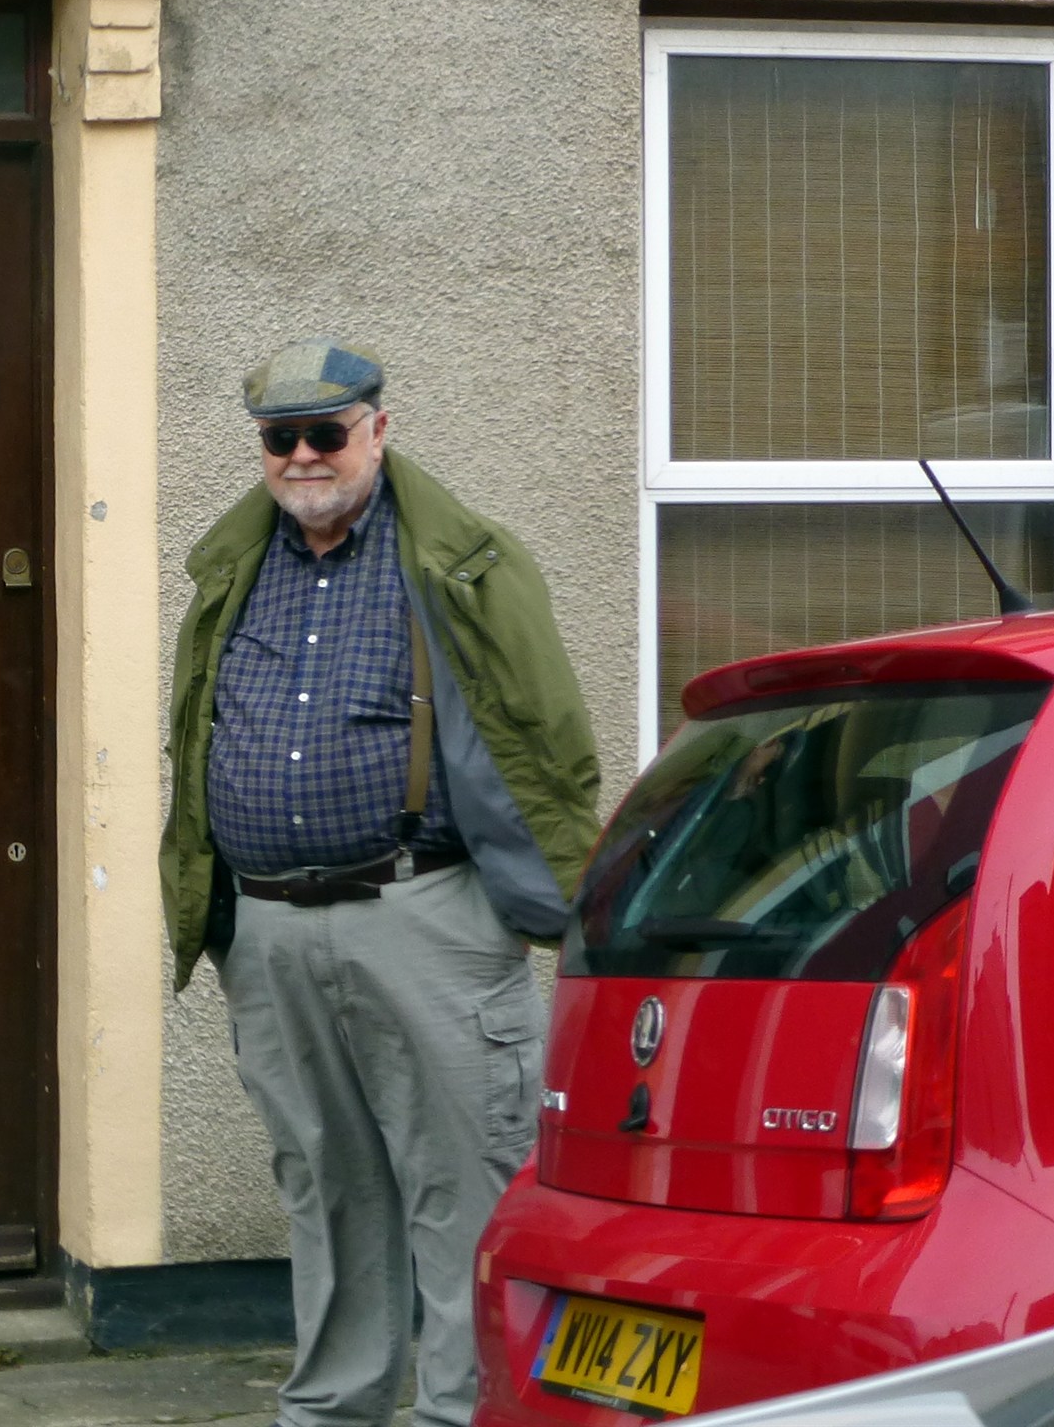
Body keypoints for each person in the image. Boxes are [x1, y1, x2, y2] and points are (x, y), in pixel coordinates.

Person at [159, 338, 601, 1427]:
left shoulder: (462, 563)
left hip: (425, 913)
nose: (304, 456)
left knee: (465, 1183)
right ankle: (330, 1410)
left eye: (327, 432)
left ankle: (465, 1413)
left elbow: (549, 745)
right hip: (269, 924)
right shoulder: (235, 567)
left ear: (378, 430)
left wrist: (561, 895)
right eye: (281, 438)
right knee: (324, 1185)